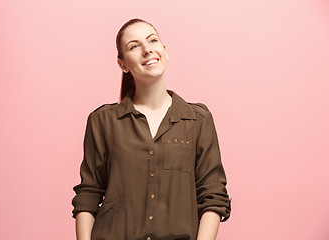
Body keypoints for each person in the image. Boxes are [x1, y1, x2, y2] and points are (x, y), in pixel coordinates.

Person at [71, 18, 231, 240]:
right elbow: (89, 193)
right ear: (123, 64)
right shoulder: (102, 121)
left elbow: (213, 194)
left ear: (164, 51)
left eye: (152, 40)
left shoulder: (197, 120)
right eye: (134, 46)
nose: (147, 50)